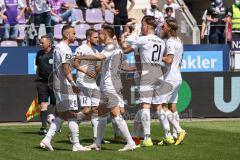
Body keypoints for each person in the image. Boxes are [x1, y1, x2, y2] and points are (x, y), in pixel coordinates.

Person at [76, 25, 136, 151]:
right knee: (101, 114)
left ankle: (130, 142)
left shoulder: (110, 47)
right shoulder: (116, 48)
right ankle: (97, 143)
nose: (99, 37)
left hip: (110, 85)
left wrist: (82, 57)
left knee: (116, 115)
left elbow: (100, 57)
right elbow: (122, 66)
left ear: (105, 34)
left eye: (101, 34)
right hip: (110, 84)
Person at [40, 25, 91, 152]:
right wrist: (72, 83)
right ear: (67, 35)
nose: (75, 36)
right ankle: (76, 144)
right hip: (65, 85)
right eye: (73, 33)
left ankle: (46, 140)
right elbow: (65, 67)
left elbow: (69, 64)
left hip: (58, 85)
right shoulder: (65, 49)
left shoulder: (58, 47)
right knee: (73, 114)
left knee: (62, 115)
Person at [121, 15, 166, 147]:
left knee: (145, 106)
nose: (141, 27)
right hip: (159, 73)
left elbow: (125, 49)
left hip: (148, 73)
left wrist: (123, 37)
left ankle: (146, 138)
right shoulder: (161, 41)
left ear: (147, 25)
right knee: (159, 107)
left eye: (142, 25)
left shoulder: (143, 39)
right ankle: (168, 135)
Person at [157, 18, 186, 146]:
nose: (162, 28)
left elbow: (169, 60)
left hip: (170, 78)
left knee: (162, 106)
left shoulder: (169, 41)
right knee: (172, 107)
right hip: (178, 76)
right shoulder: (179, 40)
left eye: (163, 26)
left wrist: (157, 57)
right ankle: (174, 135)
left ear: (168, 28)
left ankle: (179, 131)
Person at [73, 29, 101, 142]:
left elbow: (97, 69)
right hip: (82, 82)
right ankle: (73, 124)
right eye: (95, 37)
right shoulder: (81, 49)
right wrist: (85, 71)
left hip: (92, 83)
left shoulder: (95, 51)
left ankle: (96, 138)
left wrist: (99, 67)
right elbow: (74, 63)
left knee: (96, 110)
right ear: (88, 38)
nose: (97, 39)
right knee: (86, 110)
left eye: (98, 37)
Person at [35, 35, 56, 135]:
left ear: (49, 43)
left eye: (42, 43)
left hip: (54, 82)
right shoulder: (39, 54)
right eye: (40, 42)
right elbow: (38, 67)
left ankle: (55, 125)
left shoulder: (56, 52)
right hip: (42, 82)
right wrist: (38, 78)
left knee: (55, 104)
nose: (40, 44)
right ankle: (43, 127)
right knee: (43, 104)